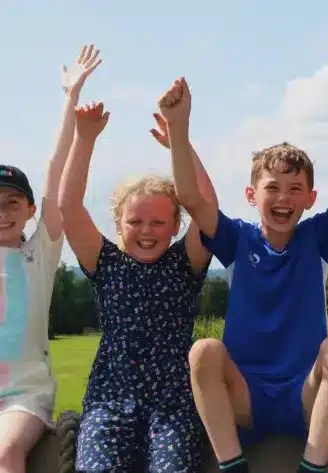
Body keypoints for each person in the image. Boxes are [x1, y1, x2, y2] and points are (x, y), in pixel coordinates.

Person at [169, 76, 328, 473]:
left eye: (295, 188)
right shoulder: (236, 240)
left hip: (304, 395)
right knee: (203, 352)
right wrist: (178, 128)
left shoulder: (315, 238)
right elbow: (191, 199)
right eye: (273, 188)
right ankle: (231, 463)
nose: (283, 198)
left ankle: (312, 465)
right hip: (245, 399)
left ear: (310, 198)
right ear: (252, 195)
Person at [59, 91, 216, 472]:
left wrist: (181, 141)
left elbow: (208, 207)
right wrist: (84, 138)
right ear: (118, 225)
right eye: (135, 222)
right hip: (109, 402)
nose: (146, 231)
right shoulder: (105, 262)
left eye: (158, 222)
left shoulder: (184, 262)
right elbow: (68, 207)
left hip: (175, 405)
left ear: (174, 226)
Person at [0, 44, 100, 473]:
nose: (3, 212)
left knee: (6, 453)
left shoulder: (37, 254)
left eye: (12, 202)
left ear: (29, 210)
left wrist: (70, 98)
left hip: (23, 394)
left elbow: (54, 169)